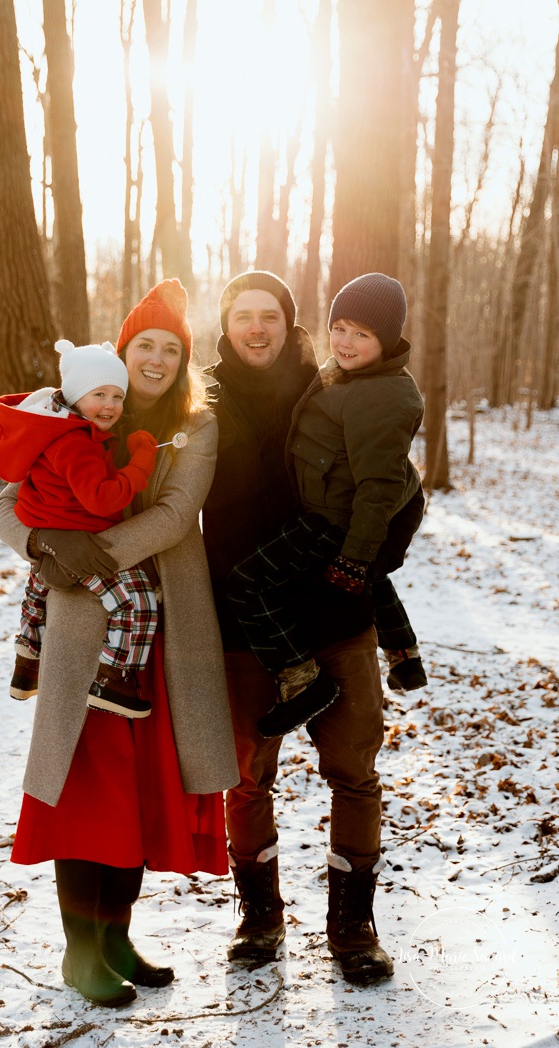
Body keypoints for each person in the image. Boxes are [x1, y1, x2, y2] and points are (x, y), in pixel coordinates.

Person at [0, 278, 239, 1007]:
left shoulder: (196, 426)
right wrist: (44, 543)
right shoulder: (75, 408)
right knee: (84, 786)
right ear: (121, 351)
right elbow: (5, 500)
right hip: (83, 628)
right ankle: (79, 951)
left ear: (182, 360)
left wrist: (91, 548)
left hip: (164, 630)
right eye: (144, 346)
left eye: (170, 348)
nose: (156, 359)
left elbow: (173, 512)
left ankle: (116, 935)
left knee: (138, 788)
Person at [202, 270, 422, 986]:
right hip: (243, 620)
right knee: (244, 777)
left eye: (270, 314)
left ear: (290, 323)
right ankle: (258, 916)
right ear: (226, 324)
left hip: (333, 612)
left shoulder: (328, 381)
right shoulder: (197, 397)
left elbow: (392, 480)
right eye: (243, 316)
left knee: (353, 773)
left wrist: (375, 551)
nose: (256, 328)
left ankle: (351, 926)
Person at [224, 272, 425, 739]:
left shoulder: (380, 394)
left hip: (335, 518)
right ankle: (403, 652)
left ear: (387, 339)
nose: (346, 342)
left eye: (363, 333)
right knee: (369, 574)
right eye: (339, 328)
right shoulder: (348, 374)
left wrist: (354, 556)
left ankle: (301, 680)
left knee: (247, 584)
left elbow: (378, 486)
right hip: (331, 508)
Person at [0, 339, 160, 719]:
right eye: (99, 394)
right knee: (138, 603)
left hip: (52, 532)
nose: (111, 405)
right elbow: (101, 498)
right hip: (78, 537)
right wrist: (141, 463)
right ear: (76, 394)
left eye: (117, 395)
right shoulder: (75, 443)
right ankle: (116, 679)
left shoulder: (55, 429)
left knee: (38, 596)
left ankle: (27, 661)